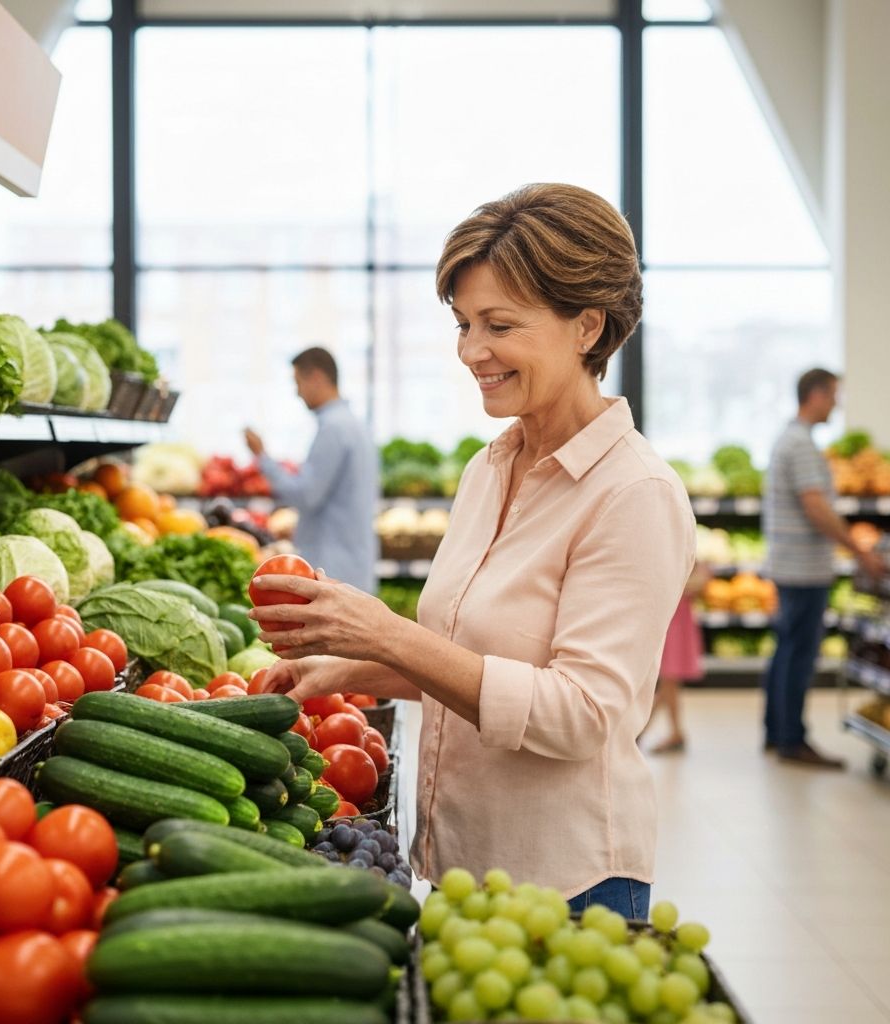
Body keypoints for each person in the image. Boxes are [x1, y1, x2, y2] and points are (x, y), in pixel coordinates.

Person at [255, 184, 696, 920]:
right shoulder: (490, 468)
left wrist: (383, 631)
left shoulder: (634, 495)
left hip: (570, 887)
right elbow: (473, 658)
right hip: (458, 866)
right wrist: (340, 667)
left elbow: (579, 714)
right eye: (463, 324)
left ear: (587, 326)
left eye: (498, 325)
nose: (470, 352)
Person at [762, 368, 885, 768]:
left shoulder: (790, 438)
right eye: (834, 395)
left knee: (786, 650)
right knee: (799, 654)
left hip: (791, 565)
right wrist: (858, 550)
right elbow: (816, 507)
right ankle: (792, 741)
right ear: (815, 395)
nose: (836, 403)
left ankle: (777, 732)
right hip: (803, 569)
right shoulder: (799, 444)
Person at [244, 347, 377, 593]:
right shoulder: (354, 425)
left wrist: (262, 457)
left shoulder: (334, 428)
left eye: (298, 383)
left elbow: (306, 495)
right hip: (352, 563)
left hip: (334, 566)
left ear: (316, 377)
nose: (297, 393)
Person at [643, 560, 710, 754]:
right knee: (669, 682)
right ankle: (672, 732)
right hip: (668, 619)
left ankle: (643, 730)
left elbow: (700, 582)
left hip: (677, 623)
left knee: (669, 679)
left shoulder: (689, 550)